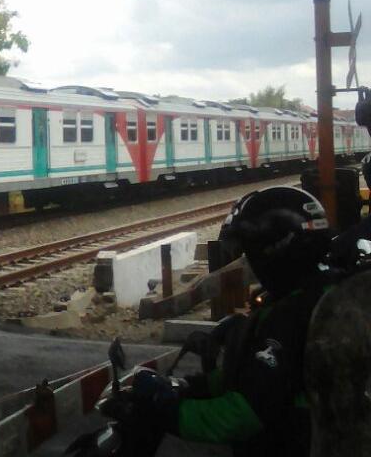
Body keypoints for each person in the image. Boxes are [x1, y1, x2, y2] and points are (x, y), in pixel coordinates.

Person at [129, 186, 334, 457]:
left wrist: (170, 411)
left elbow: (243, 414)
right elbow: (260, 377)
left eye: (252, 251)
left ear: (276, 250)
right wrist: (195, 386)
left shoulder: (291, 317)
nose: (250, 260)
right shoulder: (321, 294)